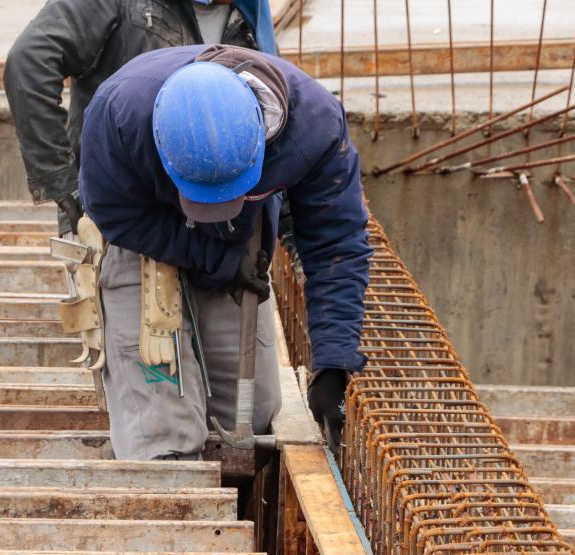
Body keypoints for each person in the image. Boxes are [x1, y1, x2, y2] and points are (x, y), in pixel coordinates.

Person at [79, 44, 372, 460]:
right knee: (161, 434)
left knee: (252, 417)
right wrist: (215, 259)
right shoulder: (120, 115)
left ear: (262, 139)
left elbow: (336, 242)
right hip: (143, 237)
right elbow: (114, 213)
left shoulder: (315, 127)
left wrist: (333, 363)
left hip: (238, 242)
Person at [3, 0, 276, 236]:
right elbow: (29, 61)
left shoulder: (252, 16)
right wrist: (61, 183)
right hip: (115, 214)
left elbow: (270, 118)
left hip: (211, 215)